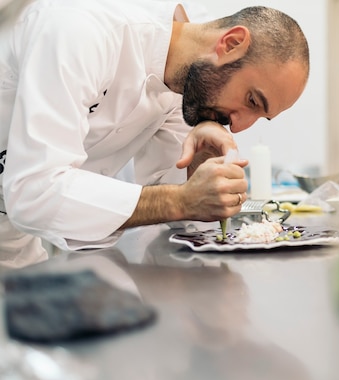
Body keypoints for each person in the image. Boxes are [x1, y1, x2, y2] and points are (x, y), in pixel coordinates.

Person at [0, 0, 310, 268]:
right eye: (252, 101)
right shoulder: (82, 33)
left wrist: (196, 176)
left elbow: (164, 214)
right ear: (230, 44)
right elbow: (34, 191)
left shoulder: (180, 90)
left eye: (260, 116)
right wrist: (179, 201)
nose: (240, 126)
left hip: (13, 249)